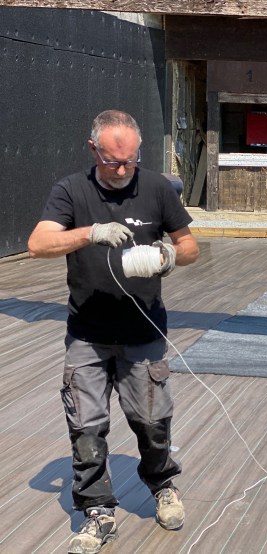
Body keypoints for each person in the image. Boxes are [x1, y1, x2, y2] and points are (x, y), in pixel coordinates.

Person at [27, 110, 199, 554]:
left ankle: (162, 485)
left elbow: (190, 247)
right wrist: (89, 233)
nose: (122, 170)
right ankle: (97, 510)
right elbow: (38, 244)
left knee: (152, 422)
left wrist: (169, 256)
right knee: (85, 427)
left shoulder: (157, 188)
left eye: (130, 161)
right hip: (87, 334)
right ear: (92, 150)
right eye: (111, 162)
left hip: (143, 332)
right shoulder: (71, 190)